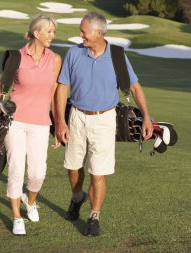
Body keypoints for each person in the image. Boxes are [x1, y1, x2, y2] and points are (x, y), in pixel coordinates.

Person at [54, 12, 153, 237]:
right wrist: (60, 121)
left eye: (84, 31)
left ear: (99, 32)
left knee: (98, 172)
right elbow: (62, 88)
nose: (80, 35)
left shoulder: (117, 55)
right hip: (77, 116)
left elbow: (135, 88)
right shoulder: (74, 53)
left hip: (105, 119)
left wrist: (146, 116)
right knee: (73, 166)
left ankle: (94, 216)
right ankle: (78, 196)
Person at [0, 14, 62, 236]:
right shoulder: (16, 57)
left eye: (53, 31)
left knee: (38, 173)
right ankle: (17, 217)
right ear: (36, 33)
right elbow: (0, 89)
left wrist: (58, 124)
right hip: (16, 122)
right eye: (49, 31)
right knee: (16, 169)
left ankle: (30, 201)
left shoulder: (56, 59)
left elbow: (54, 93)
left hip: (41, 123)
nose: (53, 35)